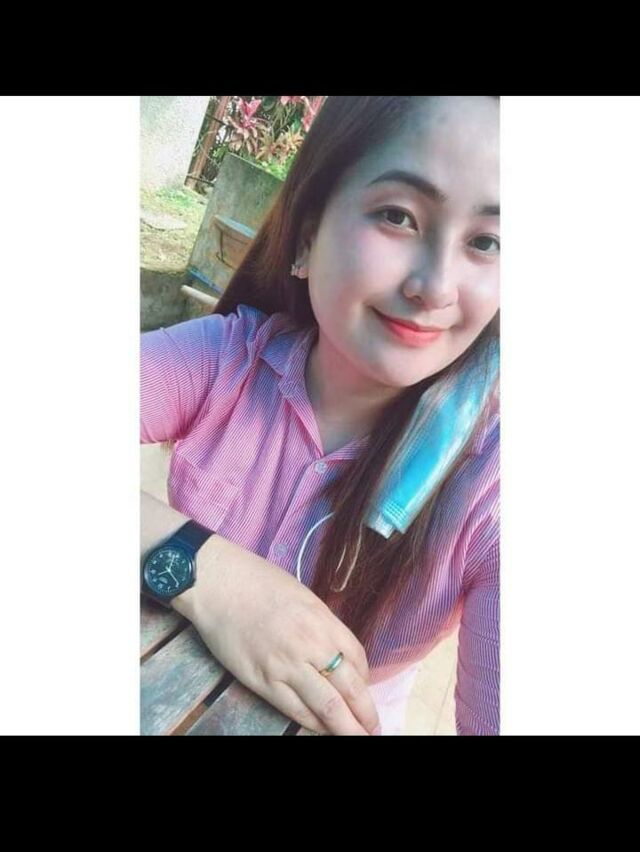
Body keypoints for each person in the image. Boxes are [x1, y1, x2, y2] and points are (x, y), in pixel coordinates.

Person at [141, 95, 500, 735]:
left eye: (486, 242)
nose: (436, 288)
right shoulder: (227, 362)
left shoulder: (493, 485)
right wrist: (211, 571)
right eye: (398, 216)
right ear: (307, 235)